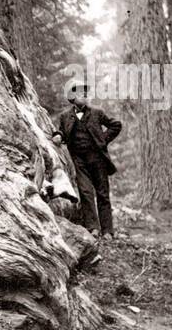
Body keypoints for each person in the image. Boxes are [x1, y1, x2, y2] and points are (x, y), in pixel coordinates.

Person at [51, 84, 122, 237]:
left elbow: (116, 125)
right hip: (78, 160)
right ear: (72, 97)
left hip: (98, 159)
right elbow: (61, 132)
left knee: (103, 194)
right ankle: (93, 228)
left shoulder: (97, 113)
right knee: (85, 192)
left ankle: (108, 231)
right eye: (79, 93)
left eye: (85, 93)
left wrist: (103, 139)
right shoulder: (65, 116)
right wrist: (58, 136)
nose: (84, 95)